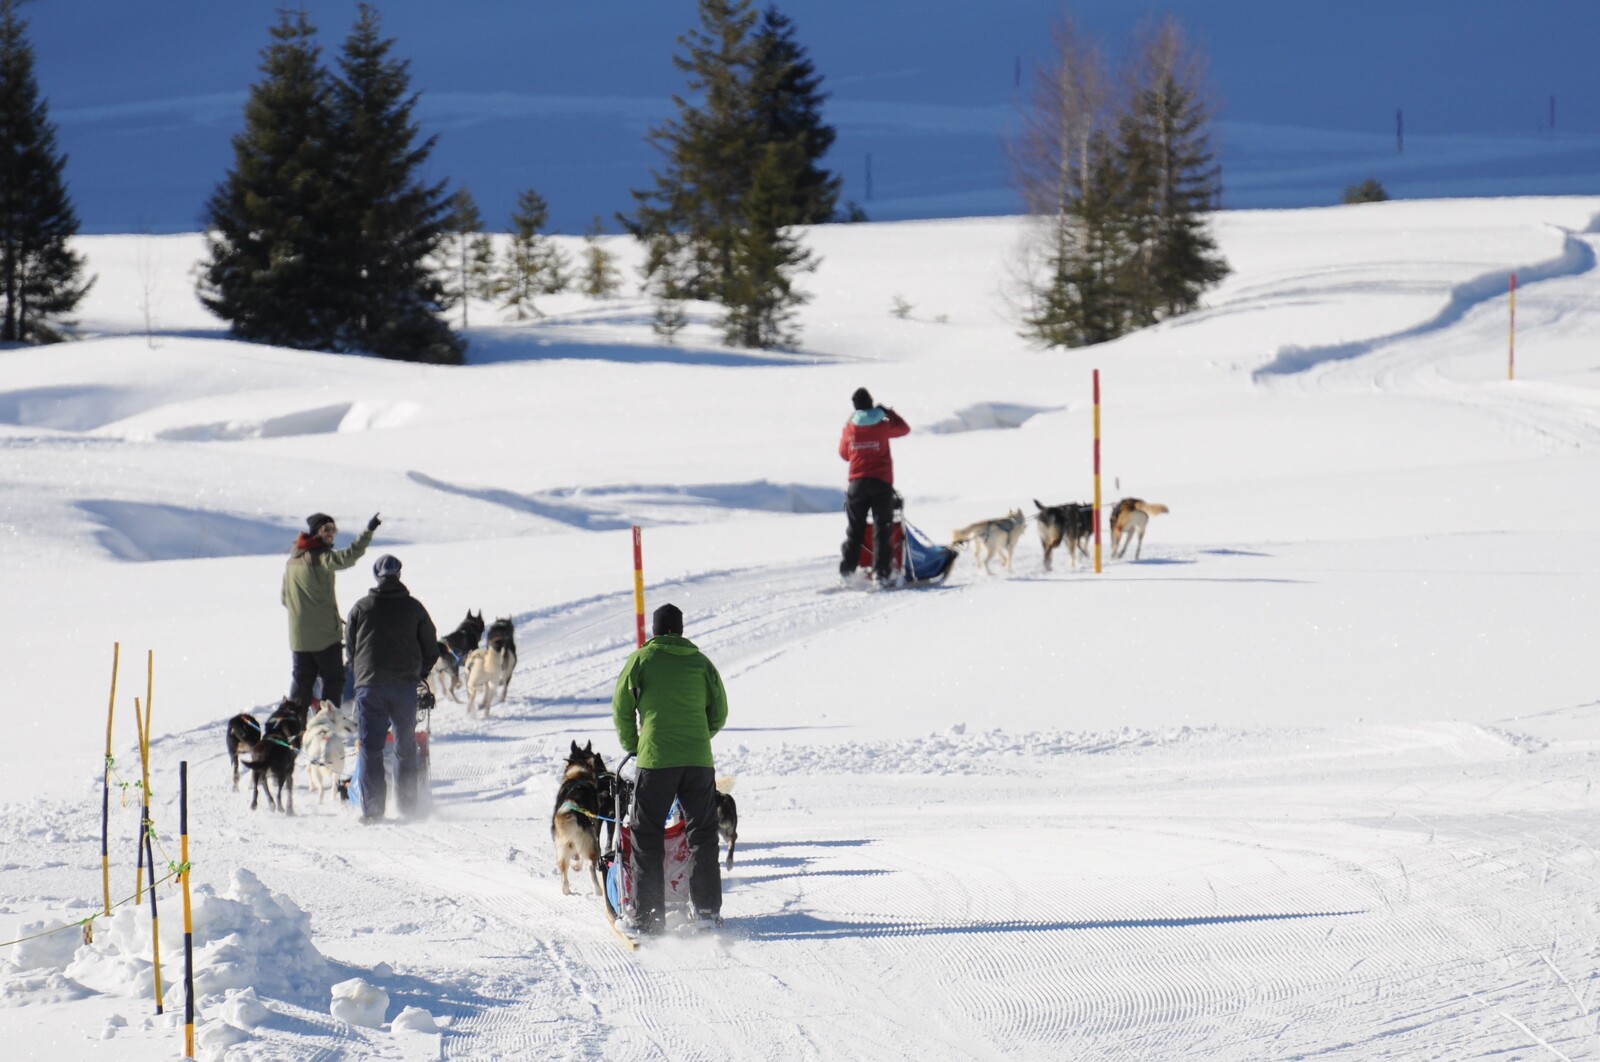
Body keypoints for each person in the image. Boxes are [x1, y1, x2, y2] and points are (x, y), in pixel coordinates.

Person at [611, 603, 729, 932]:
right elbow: (719, 713)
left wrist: (634, 744)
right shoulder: (701, 663)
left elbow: (621, 707)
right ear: (681, 629)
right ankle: (706, 912)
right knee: (702, 835)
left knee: (646, 835)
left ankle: (648, 917)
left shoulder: (641, 660)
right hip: (698, 762)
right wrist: (695, 737)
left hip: (656, 761)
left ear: (654, 630)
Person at [345, 554, 439, 824]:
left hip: (369, 687)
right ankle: (408, 808)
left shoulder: (360, 608)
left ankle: (373, 811)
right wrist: (418, 674)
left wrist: (362, 671)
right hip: (404, 687)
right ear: (399, 574)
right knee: (405, 745)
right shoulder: (414, 608)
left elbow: (350, 649)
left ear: (376, 575)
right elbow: (431, 649)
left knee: (370, 747)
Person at [282, 511, 379, 711]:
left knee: (302, 684)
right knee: (333, 680)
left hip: (299, 639)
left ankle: (295, 726)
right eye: (326, 528)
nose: (331, 533)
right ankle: (328, 723)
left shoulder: (292, 561)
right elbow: (349, 556)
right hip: (325, 637)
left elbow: (285, 598)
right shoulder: (321, 558)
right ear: (316, 531)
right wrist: (368, 531)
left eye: (334, 529)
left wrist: (305, 612)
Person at [837, 387, 910, 585]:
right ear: (871, 403)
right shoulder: (882, 424)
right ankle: (882, 574)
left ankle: (847, 572)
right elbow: (904, 429)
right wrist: (888, 412)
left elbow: (844, 454)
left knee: (855, 530)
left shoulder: (850, 427)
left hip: (857, 484)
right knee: (882, 529)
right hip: (881, 483)